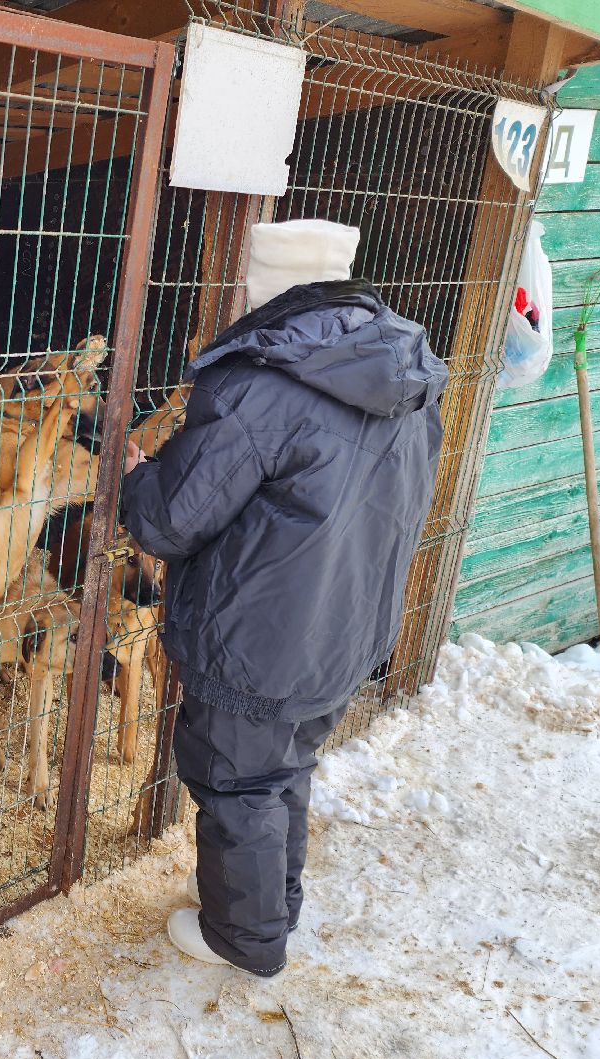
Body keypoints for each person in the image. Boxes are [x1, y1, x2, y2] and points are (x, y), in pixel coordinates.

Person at [119, 219, 447, 976]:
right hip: (348, 623)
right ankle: (275, 908)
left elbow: (171, 521)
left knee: (237, 782)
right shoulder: (408, 370)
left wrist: (140, 474)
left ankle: (244, 942)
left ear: (267, 287)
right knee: (286, 767)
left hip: (259, 636)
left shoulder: (259, 383)